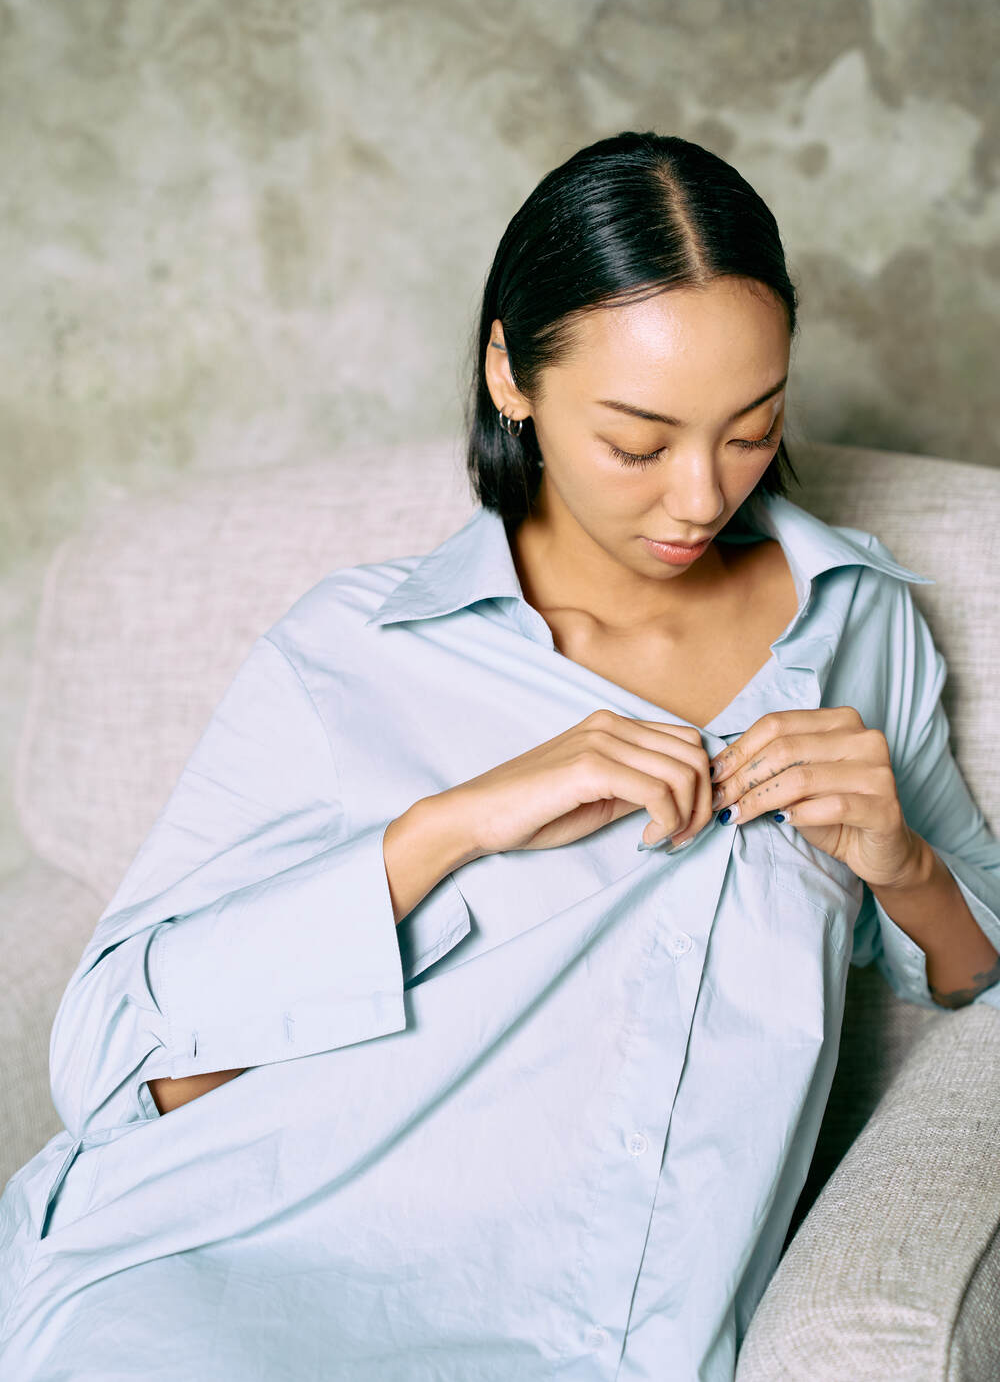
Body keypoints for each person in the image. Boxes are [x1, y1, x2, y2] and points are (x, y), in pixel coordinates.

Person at [1, 130, 999, 1382]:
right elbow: (113, 1062)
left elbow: (976, 979)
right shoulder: (352, 653)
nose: (699, 495)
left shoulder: (854, 623)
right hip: (225, 1284)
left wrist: (897, 858)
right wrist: (450, 827)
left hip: (597, 1334)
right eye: (638, 443)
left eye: (750, 430)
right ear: (510, 376)